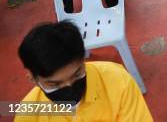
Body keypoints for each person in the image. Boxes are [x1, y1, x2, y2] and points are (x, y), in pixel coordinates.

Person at [15, 21, 153, 121]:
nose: (69, 87)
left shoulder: (118, 81)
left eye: (76, 75)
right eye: (55, 84)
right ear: (33, 79)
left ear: (83, 61)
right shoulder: (29, 114)